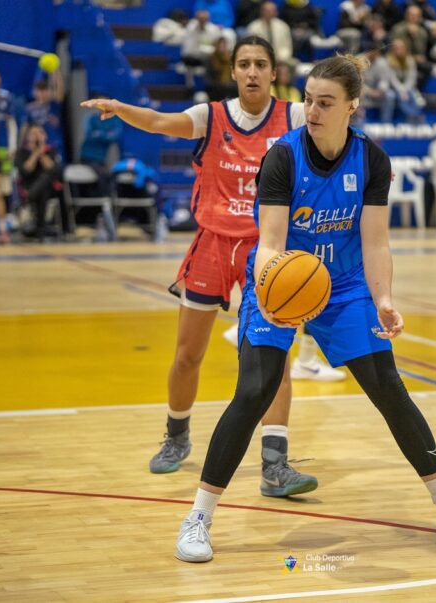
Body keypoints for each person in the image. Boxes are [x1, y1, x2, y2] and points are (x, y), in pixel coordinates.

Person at [174, 53, 436, 563]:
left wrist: (383, 299)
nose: (312, 111)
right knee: (253, 390)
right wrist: (270, 293)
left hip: (343, 286)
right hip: (281, 281)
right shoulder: (283, 157)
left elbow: (376, 242)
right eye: (309, 100)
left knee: (388, 388)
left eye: (326, 103)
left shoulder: (372, 160)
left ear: (352, 107)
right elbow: (269, 242)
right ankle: (198, 517)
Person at [81, 36, 327, 494]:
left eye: (260, 64)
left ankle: (275, 464)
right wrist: (120, 106)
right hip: (212, 243)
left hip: (267, 249)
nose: (252, 72)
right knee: (187, 355)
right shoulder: (209, 116)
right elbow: (157, 121)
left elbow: (336, 135)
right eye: (244, 64)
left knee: (273, 359)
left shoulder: (294, 116)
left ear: (275, 73)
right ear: (232, 72)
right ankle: (176, 437)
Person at [15, 125, 62, 241]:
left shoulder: (51, 151)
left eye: (39, 133)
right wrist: (35, 153)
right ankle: (41, 228)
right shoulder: (21, 152)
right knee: (43, 189)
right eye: (33, 133)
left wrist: (42, 152)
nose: (36, 136)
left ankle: (31, 198)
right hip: (29, 185)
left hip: (46, 189)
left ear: (45, 136)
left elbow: (52, 169)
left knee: (46, 178)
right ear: (27, 137)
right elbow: (26, 170)